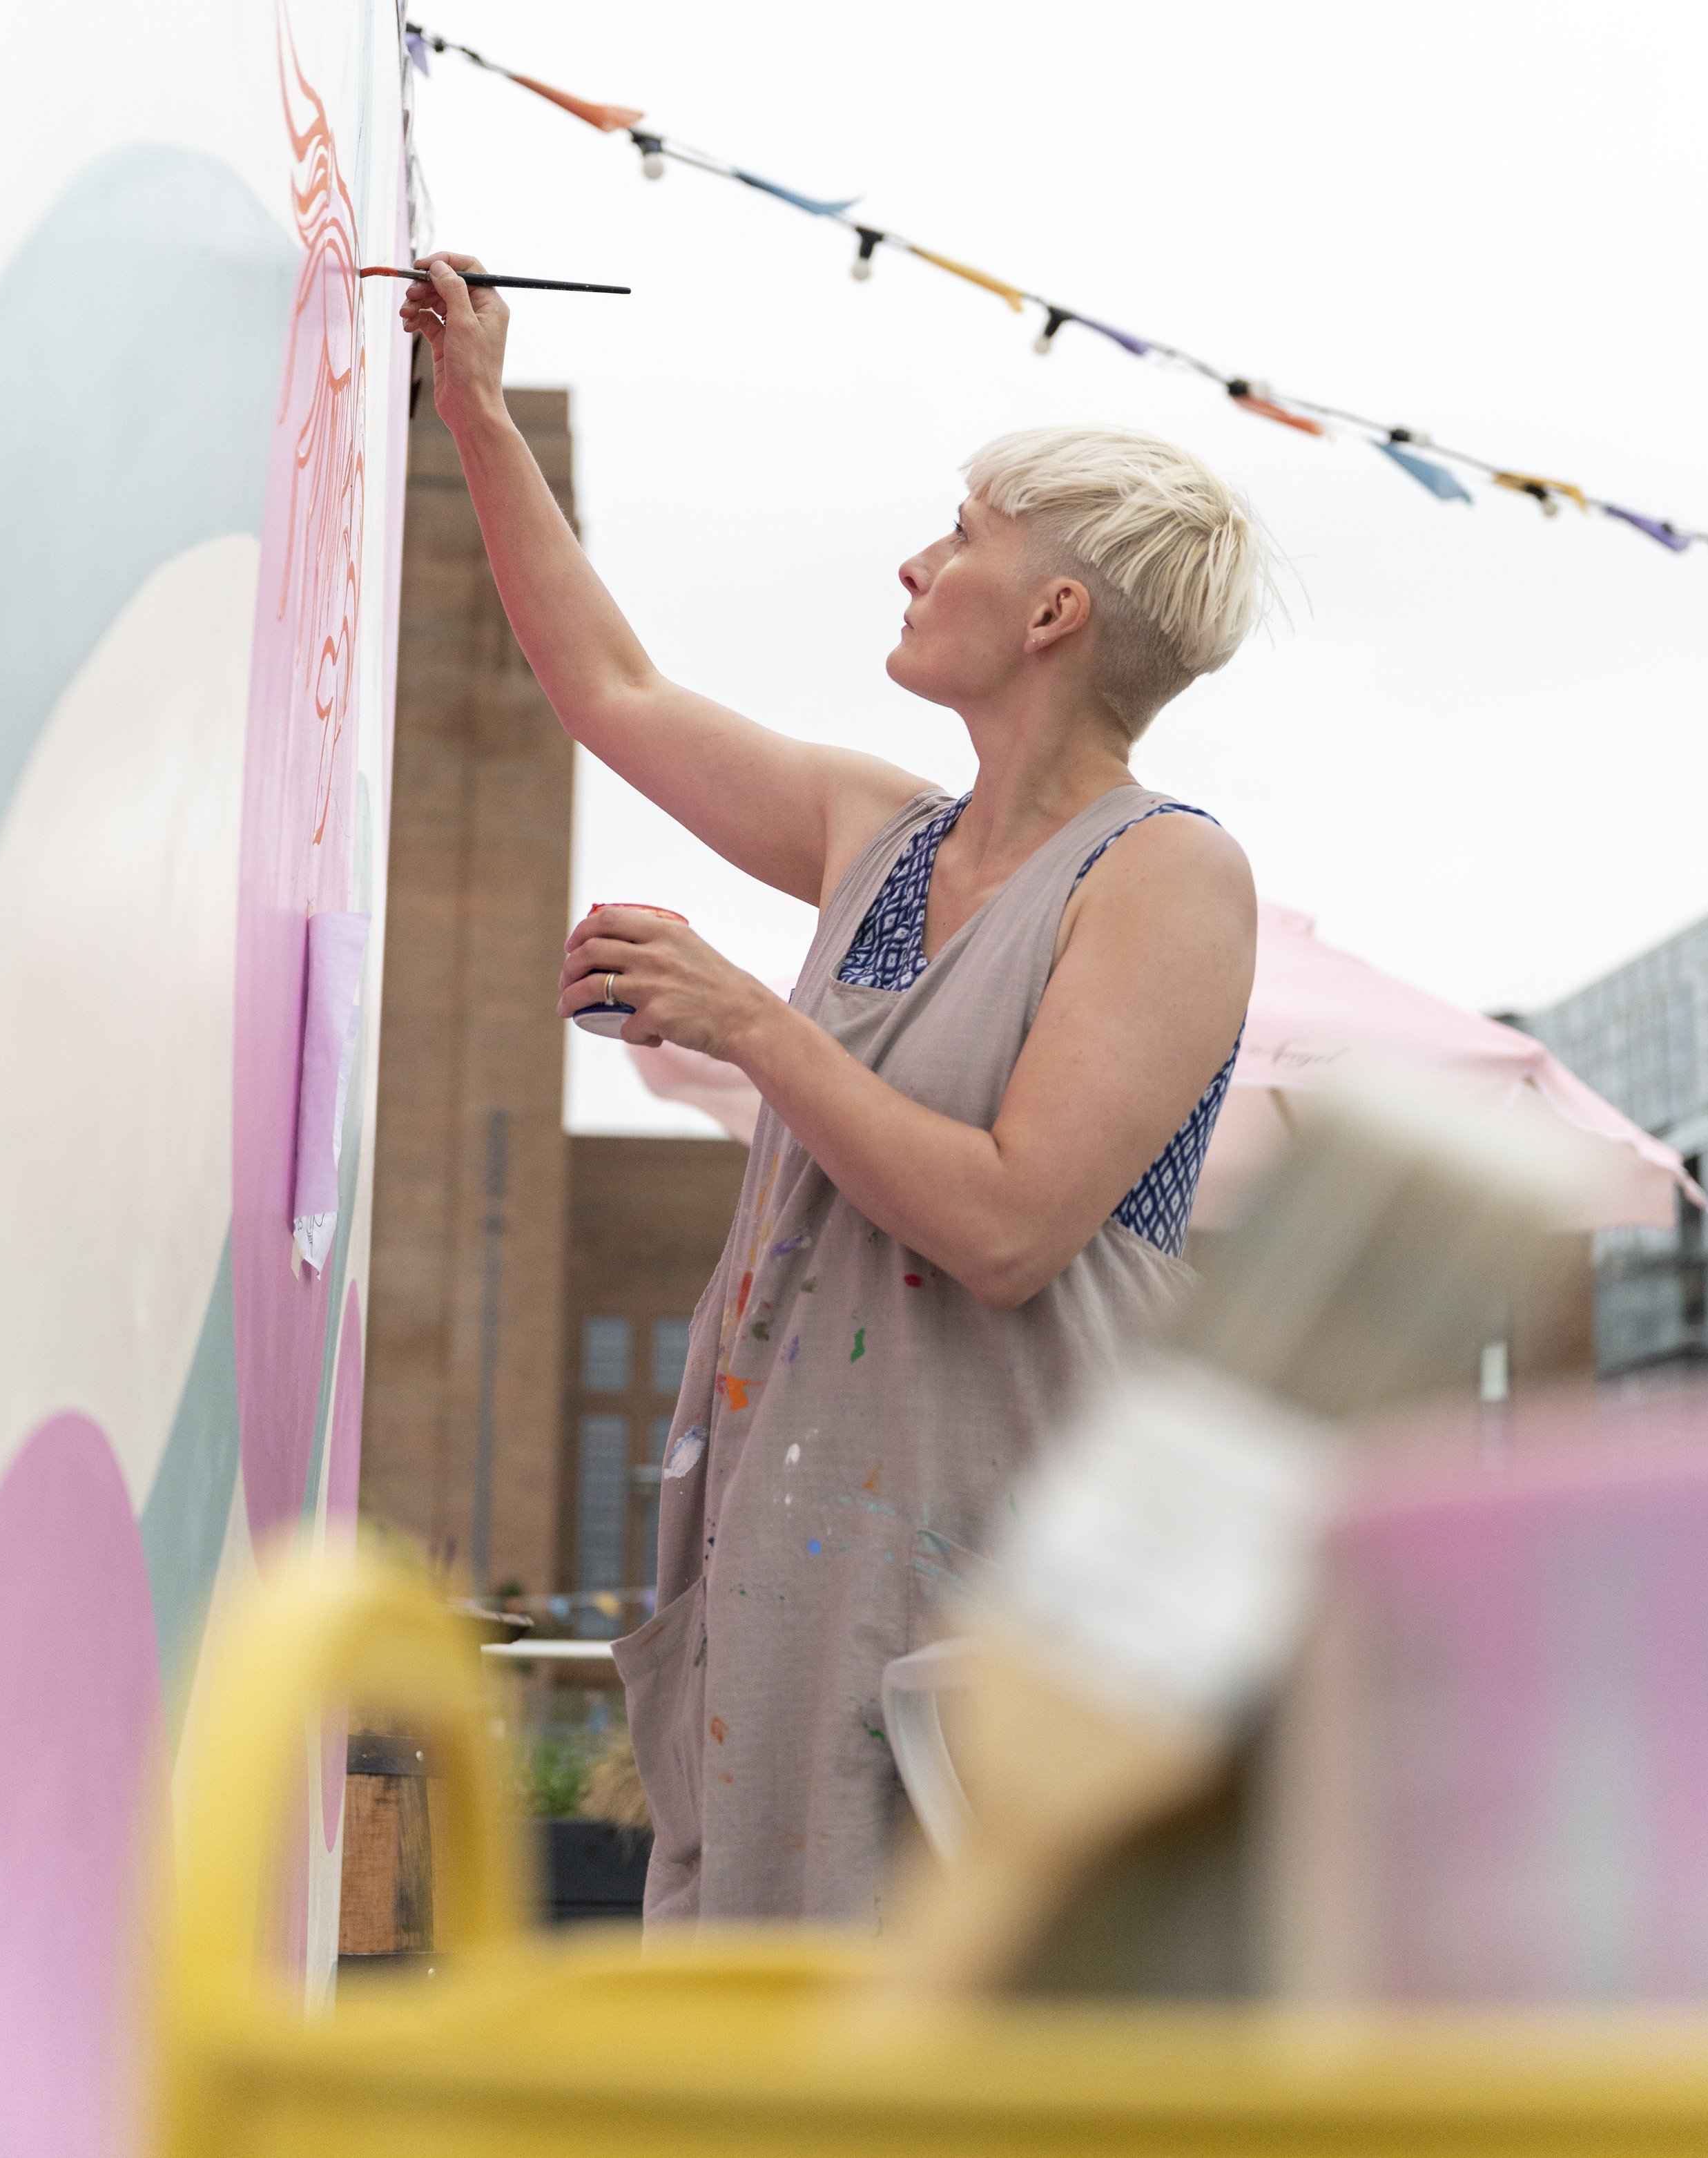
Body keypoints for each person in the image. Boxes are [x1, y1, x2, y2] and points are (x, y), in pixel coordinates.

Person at [402, 253, 1270, 1925]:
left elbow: (1009, 1226)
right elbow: (613, 694)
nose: (913, 559)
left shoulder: (1166, 877)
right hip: (787, 1570)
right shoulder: (880, 834)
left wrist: (749, 1020)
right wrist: (478, 411)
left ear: (1050, 615)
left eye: (959, 532)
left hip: (991, 1610)